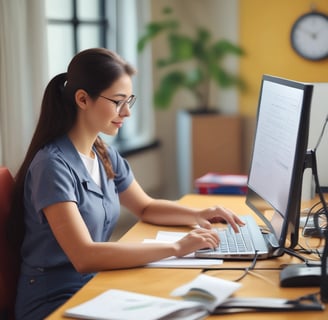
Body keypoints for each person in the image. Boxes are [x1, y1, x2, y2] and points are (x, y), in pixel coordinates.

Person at [9, 48, 245, 320]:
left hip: (92, 285)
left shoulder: (103, 152)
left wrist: (198, 215)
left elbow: (145, 207)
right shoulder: (52, 165)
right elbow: (84, 256)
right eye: (118, 102)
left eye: (129, 101)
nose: (127, 112)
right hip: (54, 300)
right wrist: (177, 248)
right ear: (83, 99)